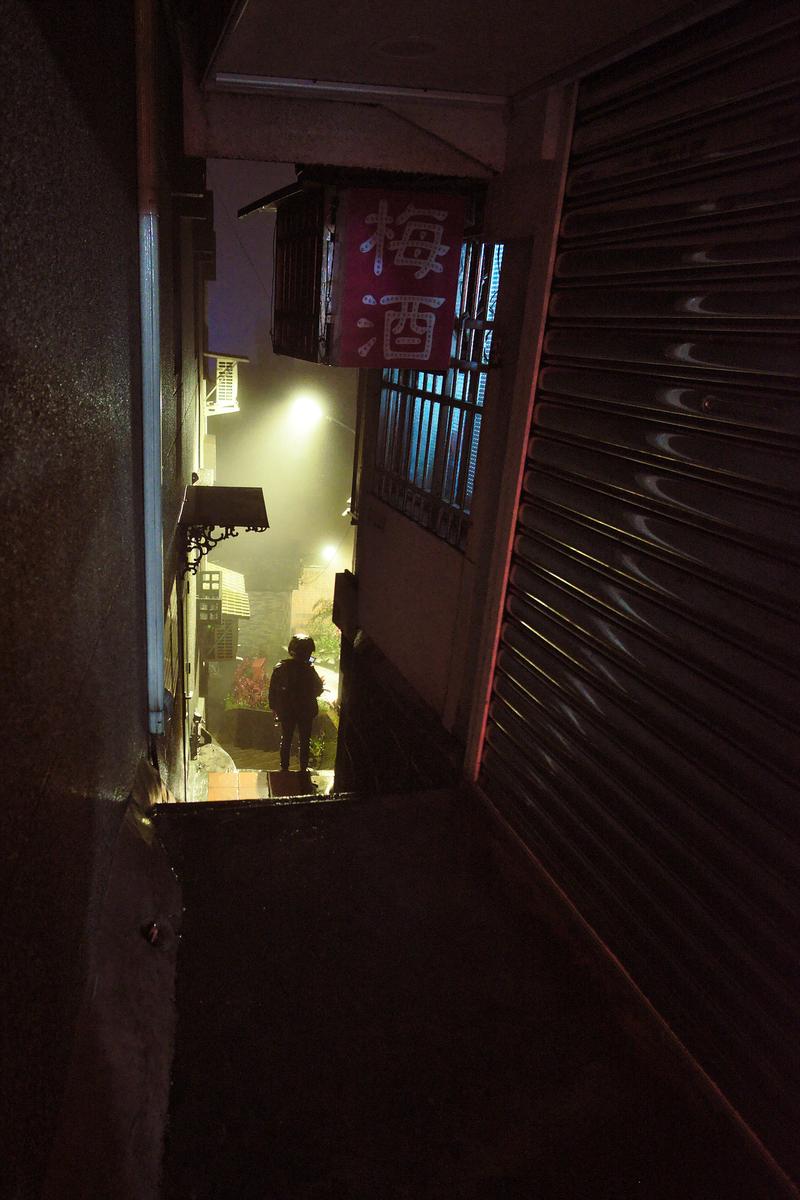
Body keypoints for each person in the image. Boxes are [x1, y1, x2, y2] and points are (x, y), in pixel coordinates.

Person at [268, 634, 325, 772]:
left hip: (287, 711)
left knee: (286, 739)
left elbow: (273, 691)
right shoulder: (309, 669)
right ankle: (303, 768)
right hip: (305, 710)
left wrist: (274, 707)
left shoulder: (281, 667)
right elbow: (318, 689)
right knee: (305, 740)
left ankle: (284, 768)